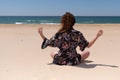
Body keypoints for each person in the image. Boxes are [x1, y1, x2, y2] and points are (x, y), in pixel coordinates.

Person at [38, 12, 103, 65]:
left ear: (62, 22)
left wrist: (41, 34)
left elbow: (48, 43)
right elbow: (88, 45)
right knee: (87, 53)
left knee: (52, 53)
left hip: (60, 60)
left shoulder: (59, 34)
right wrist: (97, 36)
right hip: (72, 61)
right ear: (73, 23)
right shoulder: (77, 34)